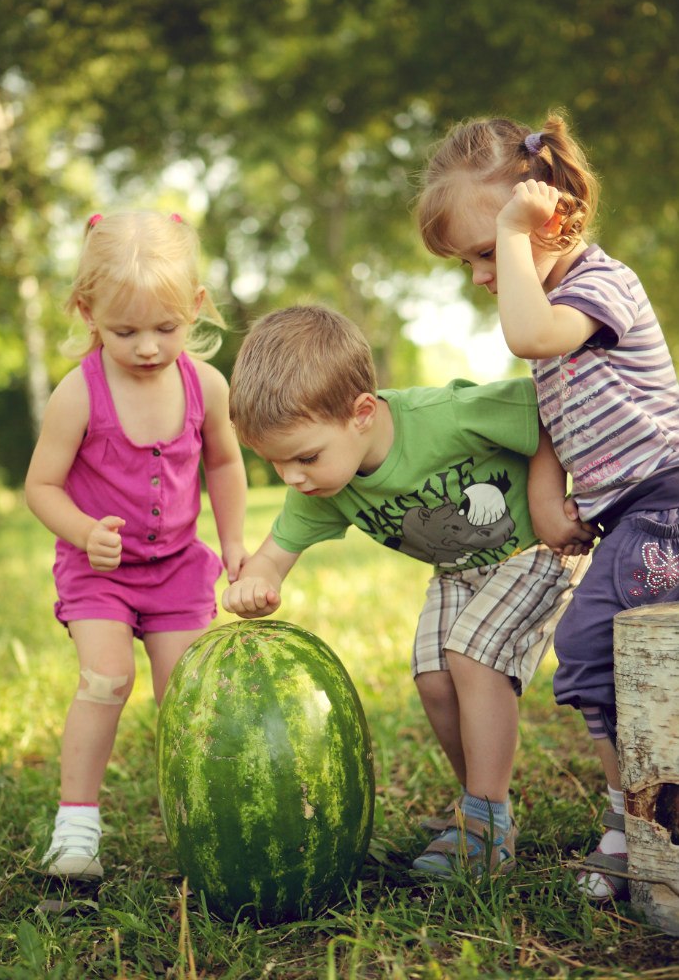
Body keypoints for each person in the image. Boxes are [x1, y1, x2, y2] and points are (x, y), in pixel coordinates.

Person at [222, 303, 592, 879]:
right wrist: (256, 583)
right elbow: (272, 555)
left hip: (535, 552)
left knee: (471, 655)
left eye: (305, 457)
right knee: (433, 674)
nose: (293, 478)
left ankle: (485, 824)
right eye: (275, 464)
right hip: (460, 571)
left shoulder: (444, 417)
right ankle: (479, 804)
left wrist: (547, 504)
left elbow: (544, 412)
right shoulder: (324, 486)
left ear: (362, 413)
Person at [417, 111, 679, 898]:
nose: (483, 273)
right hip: (627, 516)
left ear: (550, 216)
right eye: (472, 258)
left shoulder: (600, 284)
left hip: (665, 503)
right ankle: (632, 818)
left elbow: (529, 338)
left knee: (595, 646)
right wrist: (548, 492)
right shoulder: (559, 299)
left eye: (489, 249)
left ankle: (639, 828)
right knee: (604, 659)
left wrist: (513, 234)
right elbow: (554, 413)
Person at [25, 210, 248, 880]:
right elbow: (41, 486)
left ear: (196, 308)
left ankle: (198, 826)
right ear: (88, 312)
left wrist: (233, 540)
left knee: (184, 697)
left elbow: (226, 465)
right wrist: (83, 532)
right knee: (106, 679)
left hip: (179, 570)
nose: (148, 346)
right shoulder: (77, 394)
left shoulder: (206, 385)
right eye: (125, 331)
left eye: (166, 327)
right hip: (101, 574)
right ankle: (76, 830)